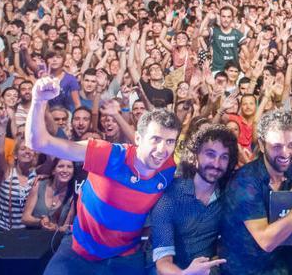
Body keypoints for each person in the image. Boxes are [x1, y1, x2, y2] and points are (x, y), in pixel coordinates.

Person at [26, 76, 180, 275]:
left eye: (169, 141)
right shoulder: (108, 155)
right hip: (78, 252)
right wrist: (38, 100)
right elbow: (39, 142)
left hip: (125, 257)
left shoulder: (168, 169)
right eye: (156, 139)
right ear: (138, 138)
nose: (162, 149)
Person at [219, 109, 292, 275]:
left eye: (291, 145)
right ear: (261, 145)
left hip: (279, 259)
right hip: (245, 266)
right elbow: (266, 241)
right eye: (277, 146)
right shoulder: (245, 182)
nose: (285, 153)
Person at [150, 124, 236, 275]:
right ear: (195, 155)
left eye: (224, 157)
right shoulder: (170, 197)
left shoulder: (227, 196)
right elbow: (162, 263)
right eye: (210, 154)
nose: (216, 164)